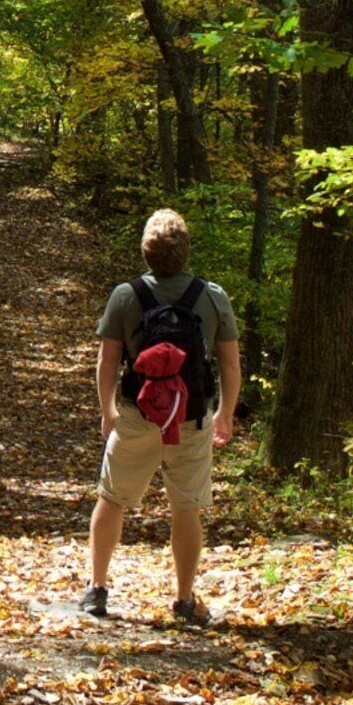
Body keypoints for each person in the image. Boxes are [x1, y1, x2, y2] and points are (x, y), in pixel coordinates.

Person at [84, 206, 242, 623]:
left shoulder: (126, 295)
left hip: (138, 415)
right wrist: (224, 413)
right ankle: (184, 599)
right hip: (190, 416)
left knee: (112, 498)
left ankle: (97, 589)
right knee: (186, 507)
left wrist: (107, 411)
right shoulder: (213, 296)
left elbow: (106, 361)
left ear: (146, 251)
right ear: (185, 250)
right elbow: (229, 364)